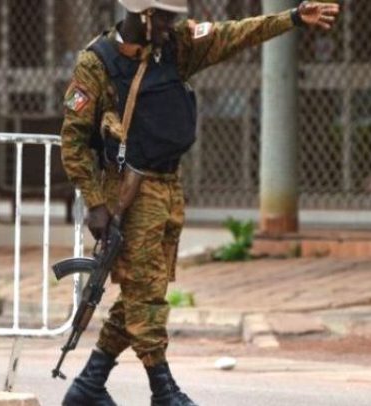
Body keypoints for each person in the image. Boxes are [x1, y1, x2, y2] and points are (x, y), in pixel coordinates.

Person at [59, 1, 340, 405]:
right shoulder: (97, 62)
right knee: (147, 298)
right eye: (165, 17)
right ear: (143, 15)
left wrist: (292, 18)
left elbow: (235, 34)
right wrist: (96, 203)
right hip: (130, 194)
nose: (172, 24)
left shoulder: (176, 46)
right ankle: (163, 390)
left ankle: (88, 385)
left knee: (145, 289)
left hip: (169, 187)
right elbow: (73, 141)